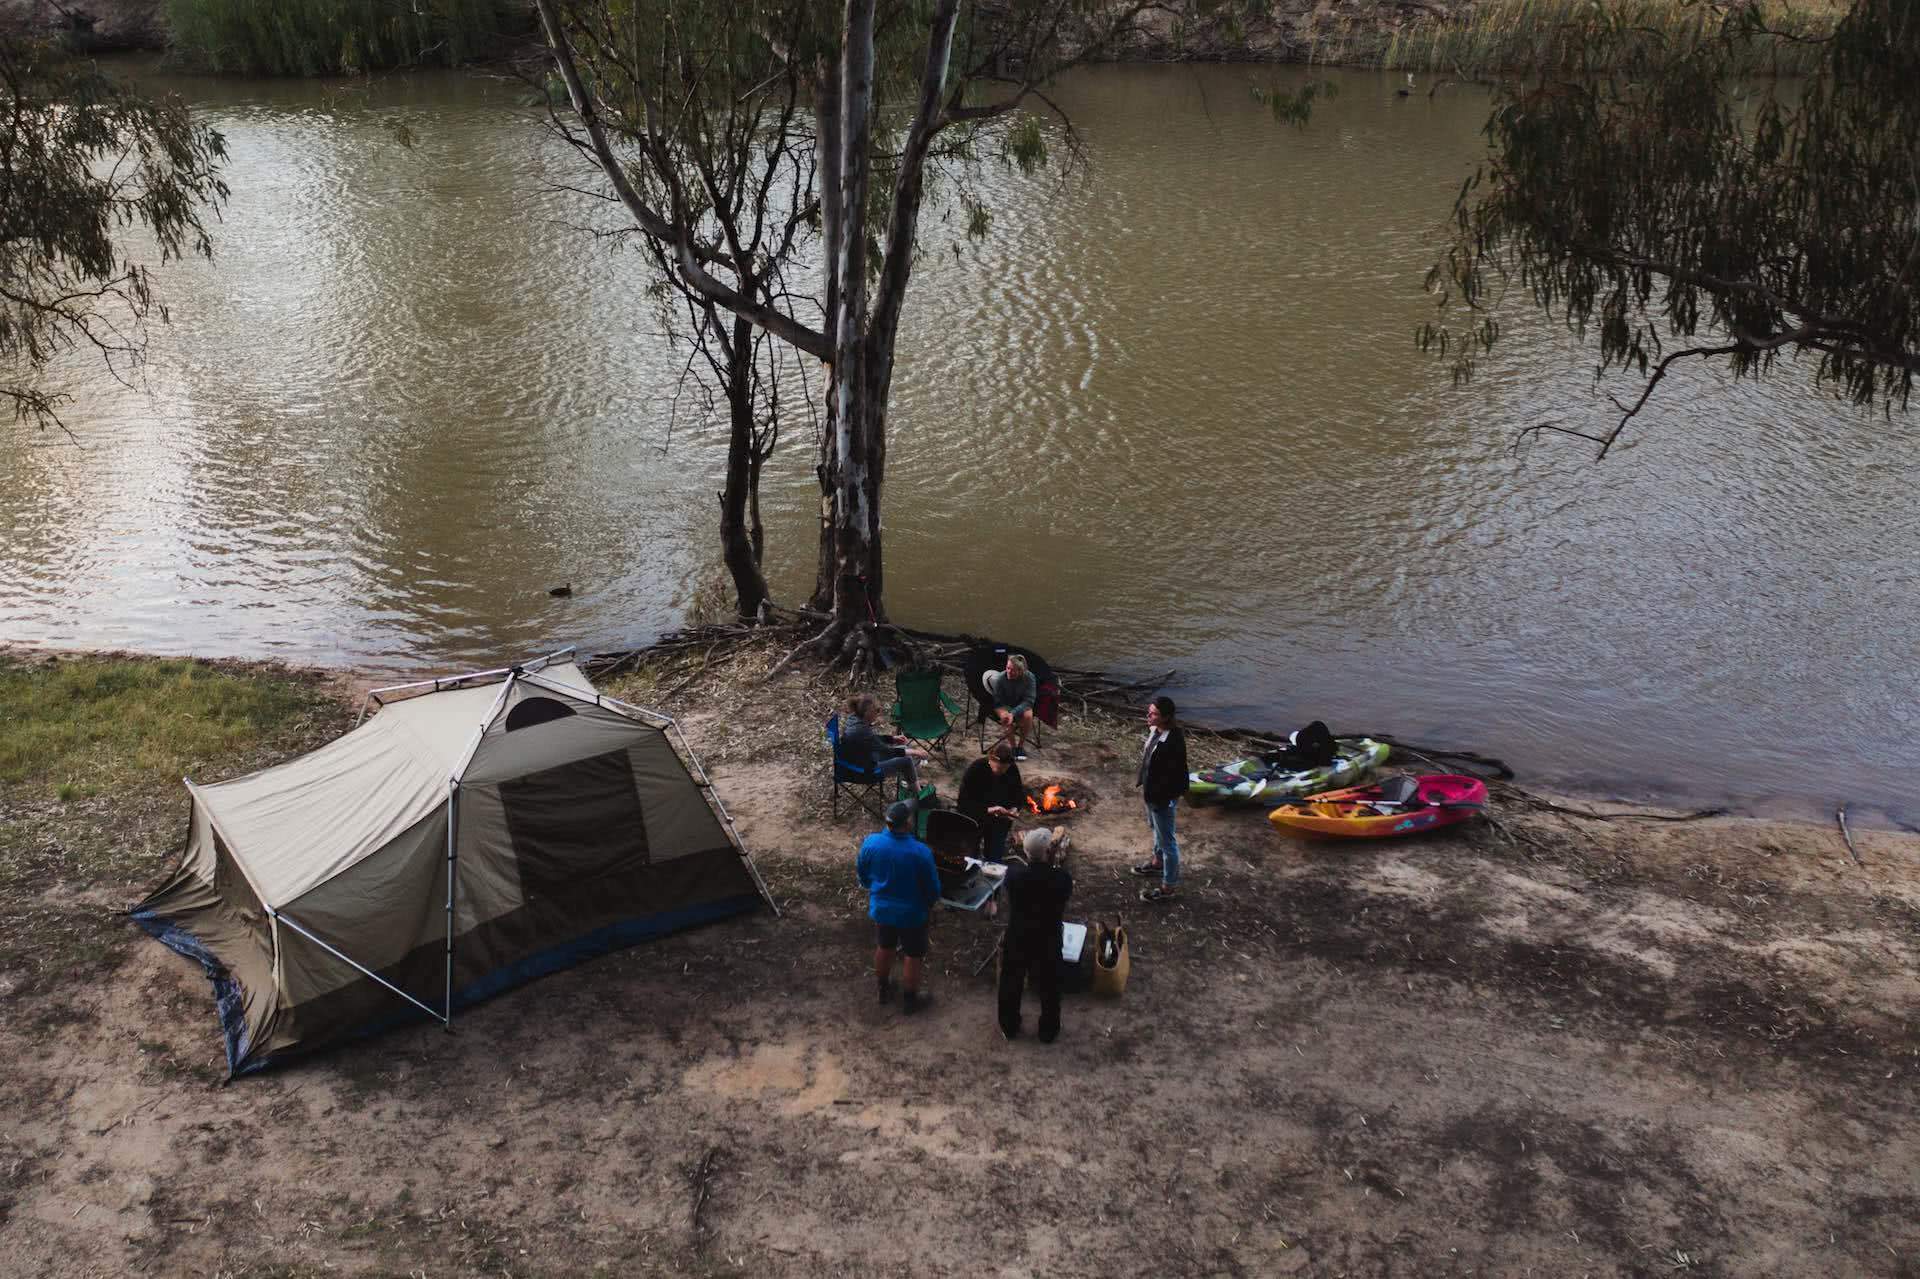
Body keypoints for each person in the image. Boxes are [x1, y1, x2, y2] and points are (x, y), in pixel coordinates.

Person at [857, 800, 942, 1013]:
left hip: (883, 910)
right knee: (913, 955)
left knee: (885, 947)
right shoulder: (921, 852)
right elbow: (932, 888)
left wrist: (875, 888)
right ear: (908, 823)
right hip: (912, 914)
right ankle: (910, 1000)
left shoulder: (871, 843)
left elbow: (863, 874)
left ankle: (883, 990)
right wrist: (931, 904)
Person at [999, 827, 1074, 1042]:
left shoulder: (1014, 876)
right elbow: (1062, 891)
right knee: (1050, 984)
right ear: (1048, 851)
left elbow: (1016, 875)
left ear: (1026, 852)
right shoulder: (1061, 879)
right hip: (1048, 937)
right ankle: (1048, 1030)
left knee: (1011, 980)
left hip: (1019, 935)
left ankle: (1009, 1025)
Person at [1131, 694, 1188, 903]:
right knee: (1155, 829)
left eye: (1153, 713)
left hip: (1161, 797)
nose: (1148, 715)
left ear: (1165, 717)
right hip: (1150, 793)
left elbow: (1176, 775)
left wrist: (1163, 799)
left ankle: (1168, 886)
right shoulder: (1155, 730)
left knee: (1168, 843)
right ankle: (1157, 863)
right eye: (1149, 711)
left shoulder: (1173, 741)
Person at [841, 691, 929, 800]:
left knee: (904, 750)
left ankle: (910, 782)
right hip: (862, 771)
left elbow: (871, 740)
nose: (878, 713)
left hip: (855, 761)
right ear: (868, 712)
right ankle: (920, 797)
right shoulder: (861, 730)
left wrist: (891, 739)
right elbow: (886, 751)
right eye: (877, 711)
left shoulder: (854, 720)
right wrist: (915, 752)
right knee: (906, 760)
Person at [956, 742, 1024, 861]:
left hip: (1000, 820)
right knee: (969, 858)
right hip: (976, 817)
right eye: (998, 768)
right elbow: (963, 803)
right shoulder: (976, 769)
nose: (1001, 771)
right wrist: (989, 810)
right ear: (990, 760)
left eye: (1005, 768)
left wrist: (1014, 809)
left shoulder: (1012, 769)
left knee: (994, 857)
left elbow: (1019, 795)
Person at [981, 653, 1037, 760]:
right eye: (1008, 668)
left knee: (1028, 716)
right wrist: (1005, 713)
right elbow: (998, 702)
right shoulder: (1000, 678)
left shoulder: (1030, 678)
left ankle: (1020, 746)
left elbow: (1029, 700)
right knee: (1006, 718)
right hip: (1004, 705)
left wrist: (1013, 713)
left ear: (1021, 671)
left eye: (1013, 670)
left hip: (1021, 705)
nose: (1009, 672)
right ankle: (1013, 747)